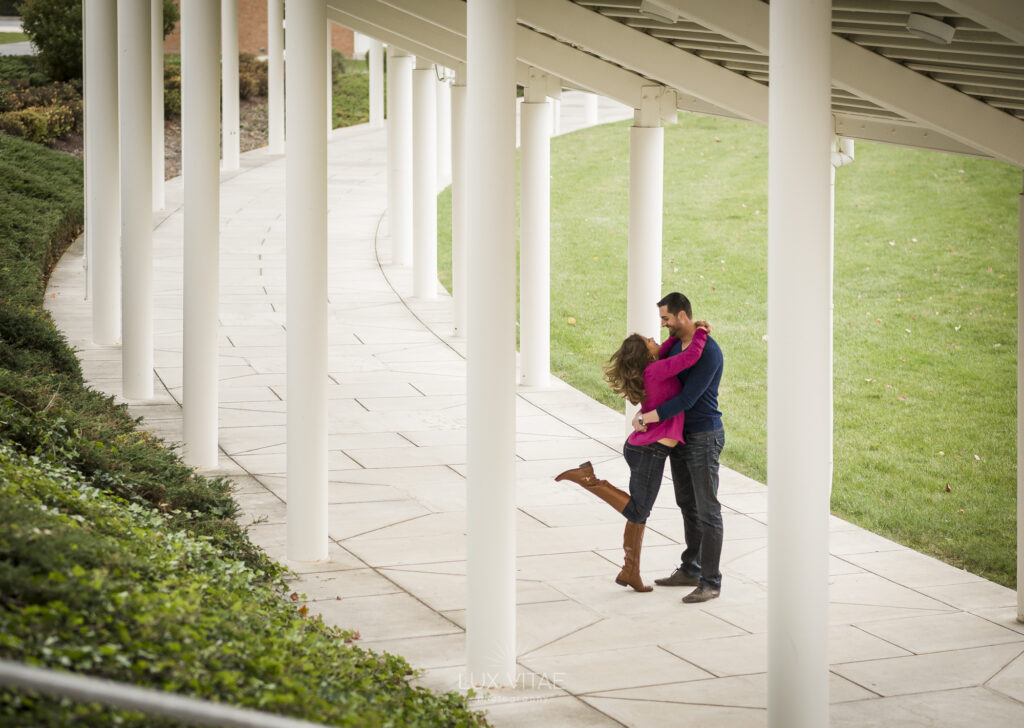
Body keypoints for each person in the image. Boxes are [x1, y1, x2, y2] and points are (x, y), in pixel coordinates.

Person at [554, 322, 709, 592]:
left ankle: (630, 571)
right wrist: (701, 333)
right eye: (648, 340)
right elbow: (690, 357)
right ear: (646, 354)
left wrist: (683, 330)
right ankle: (588, 479)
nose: (653, 338)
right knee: (639, 510)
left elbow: (669, 348)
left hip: (645, 448)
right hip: (650, 450)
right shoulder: (656, 370)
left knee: (639, 514)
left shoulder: (651, 368)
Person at [634, 292, 725, 604]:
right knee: (687, 503)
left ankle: (711, 582)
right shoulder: (674, 345)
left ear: (682, 315)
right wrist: (643, 412)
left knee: (708, 510)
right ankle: (691, 568)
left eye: (666, 319)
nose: (663, 325)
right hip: (680, 436)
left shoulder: (709, 353)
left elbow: (687, 399)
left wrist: (649, 418)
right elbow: (659, 375)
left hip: (703, 435)